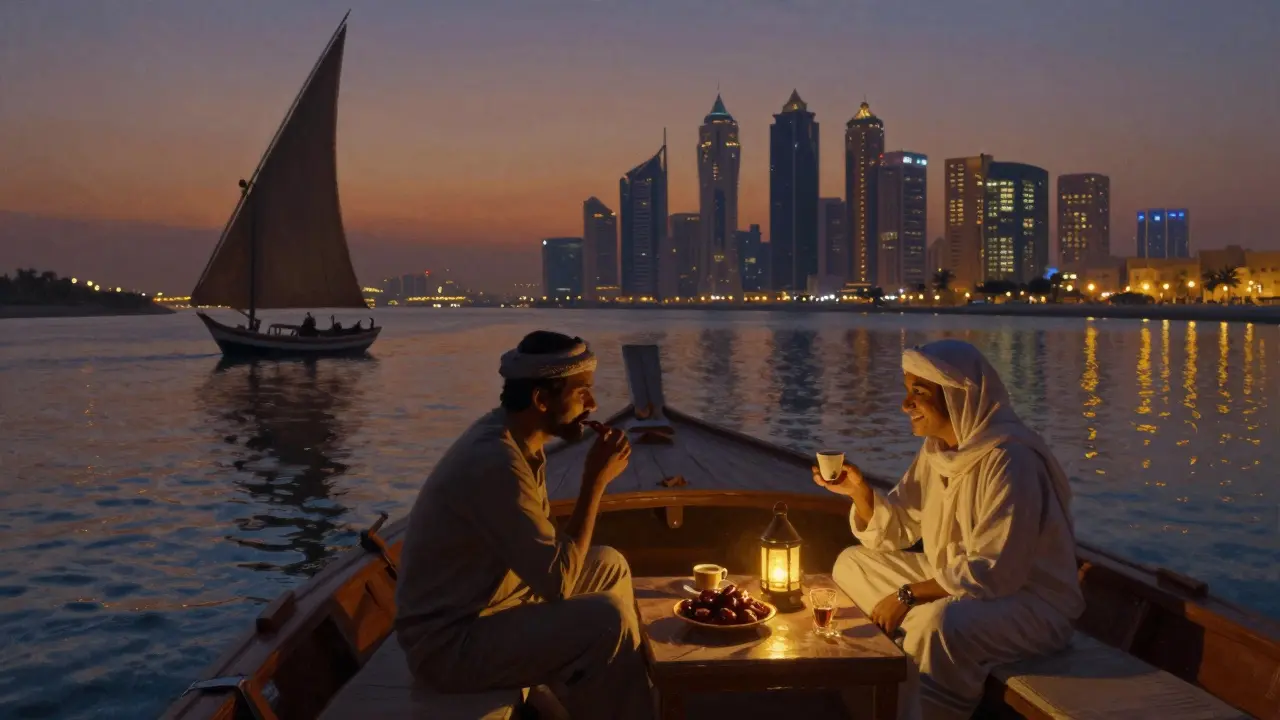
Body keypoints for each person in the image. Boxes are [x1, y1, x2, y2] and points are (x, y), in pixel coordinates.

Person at [816, 339, 1083, 720]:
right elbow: (901, 526)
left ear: (960, 398)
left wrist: (908, 595)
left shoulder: (1011, 460)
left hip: (1029, 605)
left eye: (919, 392)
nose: (905, 404)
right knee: (851, 564)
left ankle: (918, 711)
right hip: (960, 582)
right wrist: (858, 492)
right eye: (907, 391)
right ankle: (873, 685)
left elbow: (995, 570)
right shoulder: (938, 450)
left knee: (939, 623)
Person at [395, 330, 654, 720]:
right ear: (541, 399)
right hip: (450, 645)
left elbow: (549, 562)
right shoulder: (496, 462)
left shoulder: (520, 441)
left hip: (496, 603)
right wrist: (595, 481)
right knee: (606, 620)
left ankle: (611, 705)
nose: (594, 404)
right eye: (582, 392)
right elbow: (559, 581)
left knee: (609, 566)